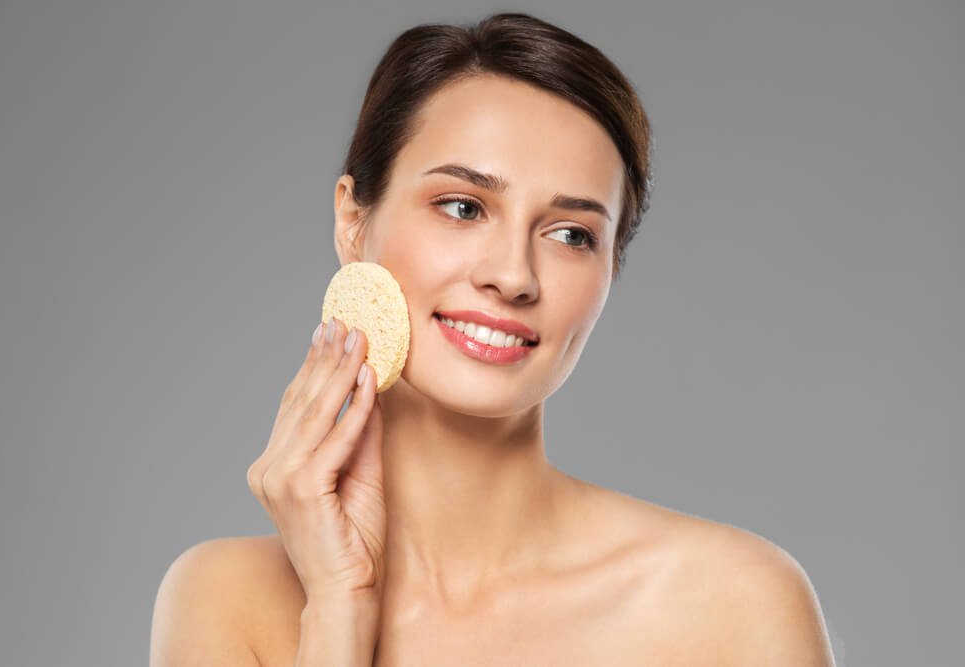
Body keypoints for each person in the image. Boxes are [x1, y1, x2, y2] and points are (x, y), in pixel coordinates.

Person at [151, 12, 836, 666]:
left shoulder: (736, 605)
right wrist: (339, 605)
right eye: (463, 207)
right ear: (353, 224)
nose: (512, 276)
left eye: (572, 234)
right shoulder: (224, 601)